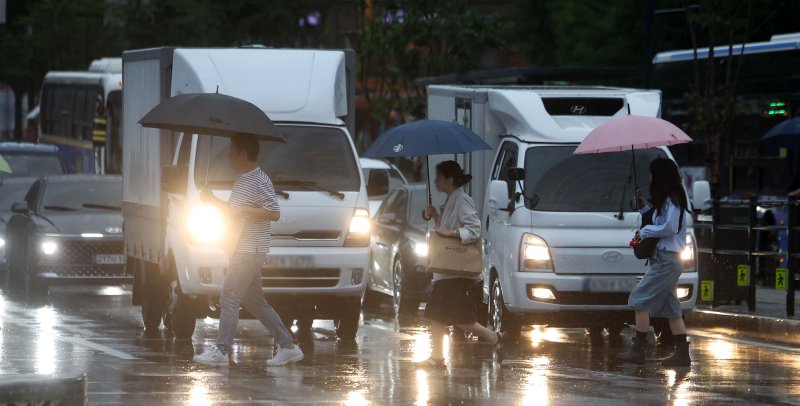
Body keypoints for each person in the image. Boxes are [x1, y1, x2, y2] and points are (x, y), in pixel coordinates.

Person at [193, 133, 303, 368]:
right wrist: (212, 199)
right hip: (241, 247)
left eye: (231, 150)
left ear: (243, 154)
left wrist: (247, 210)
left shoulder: (260, 180)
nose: (228, 155)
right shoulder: (243, 179)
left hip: (250, 249)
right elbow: (234, 211)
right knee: (256, 302)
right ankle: (288, 346)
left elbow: (274, 212)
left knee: (229, 296)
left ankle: (221, 350)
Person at [420, 160, 505, 368]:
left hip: (456, 272)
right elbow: (445, 231)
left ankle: (438, 357)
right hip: (448, 271)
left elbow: (474, 230)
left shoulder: (462, 200)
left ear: (450, 180)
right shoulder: (452, 200)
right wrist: (436, 216)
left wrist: (451, 232)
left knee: (440, 314)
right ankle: (493, 338)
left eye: (439, 177)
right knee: (454, 317)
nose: (436, 181)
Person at [618, 158, 691, 367]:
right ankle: (682, 355)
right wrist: (644, 208)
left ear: (660, 176)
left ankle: (638, 350)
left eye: (652, 174)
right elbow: (658, 221)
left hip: (668, 260)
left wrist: (645, 232)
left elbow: (669, 228)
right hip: (664, 259)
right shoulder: (667, 200)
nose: (650, 178)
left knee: (638, 300)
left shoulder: (673, 200)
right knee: (672, 309)